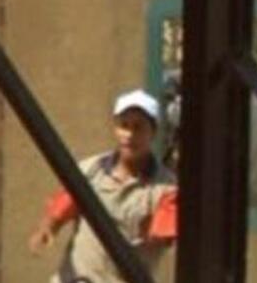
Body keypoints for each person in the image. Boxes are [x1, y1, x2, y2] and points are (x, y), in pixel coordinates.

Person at [28, 89, 178, 283]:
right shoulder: (89, 171)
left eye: (138, 127)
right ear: (116, 130)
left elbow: (163, 235)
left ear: (153, 132)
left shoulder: (166, 189)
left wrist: (151, 236)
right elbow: (61, 209)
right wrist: (46, 230)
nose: (130, 135)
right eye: (124, 126)